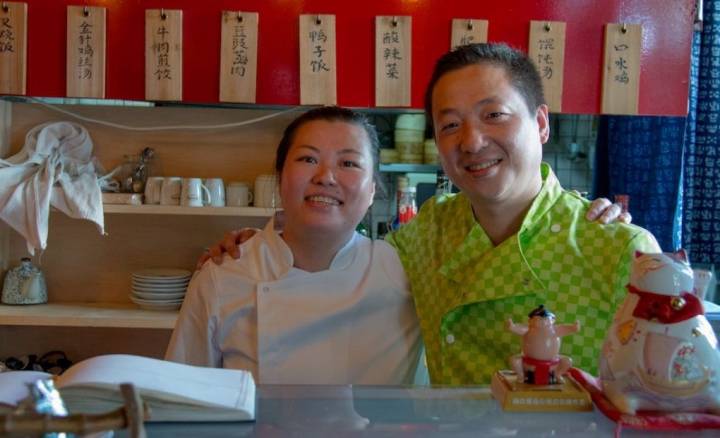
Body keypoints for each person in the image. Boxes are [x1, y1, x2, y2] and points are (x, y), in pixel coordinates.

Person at [197, 44, 652, 385]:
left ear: (540, 123)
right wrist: (266, 239)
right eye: (450, 125)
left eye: (493, 114)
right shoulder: (429, 232)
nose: (471, 142)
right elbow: (331, 252)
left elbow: (660, 408)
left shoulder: (616, 249)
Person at [165, 106, 422, 385]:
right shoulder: (222, 274)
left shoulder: (406, 270)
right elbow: (181, 400)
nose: (325, 176)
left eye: (348, 163)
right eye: (308, 158)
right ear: (280, 178)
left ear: (372, 189)